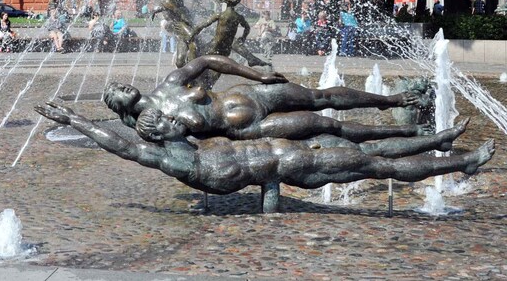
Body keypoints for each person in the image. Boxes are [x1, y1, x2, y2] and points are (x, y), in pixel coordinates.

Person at [36, 102, 493, 212]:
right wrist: (76, 120)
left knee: (370, 152)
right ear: (164, 132)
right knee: (376, 163)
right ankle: (460, 162)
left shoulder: (191, 151)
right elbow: (117, 144)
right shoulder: (173, 160)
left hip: (280, 161)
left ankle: (441, 141)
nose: (183, 121)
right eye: (173, 121)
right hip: (290, 165)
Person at [103, 54, 432, 143]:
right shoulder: (152, 127)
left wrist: (255, 74)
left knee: (320, 96)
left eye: (118, 84)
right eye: (115, 93)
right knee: (326, 125)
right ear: (120, 107)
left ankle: (392, 101)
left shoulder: (169, 85)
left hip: (252, 94)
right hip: (250, 128)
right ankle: (405, 134)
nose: (122, 87)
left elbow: (206, 60)